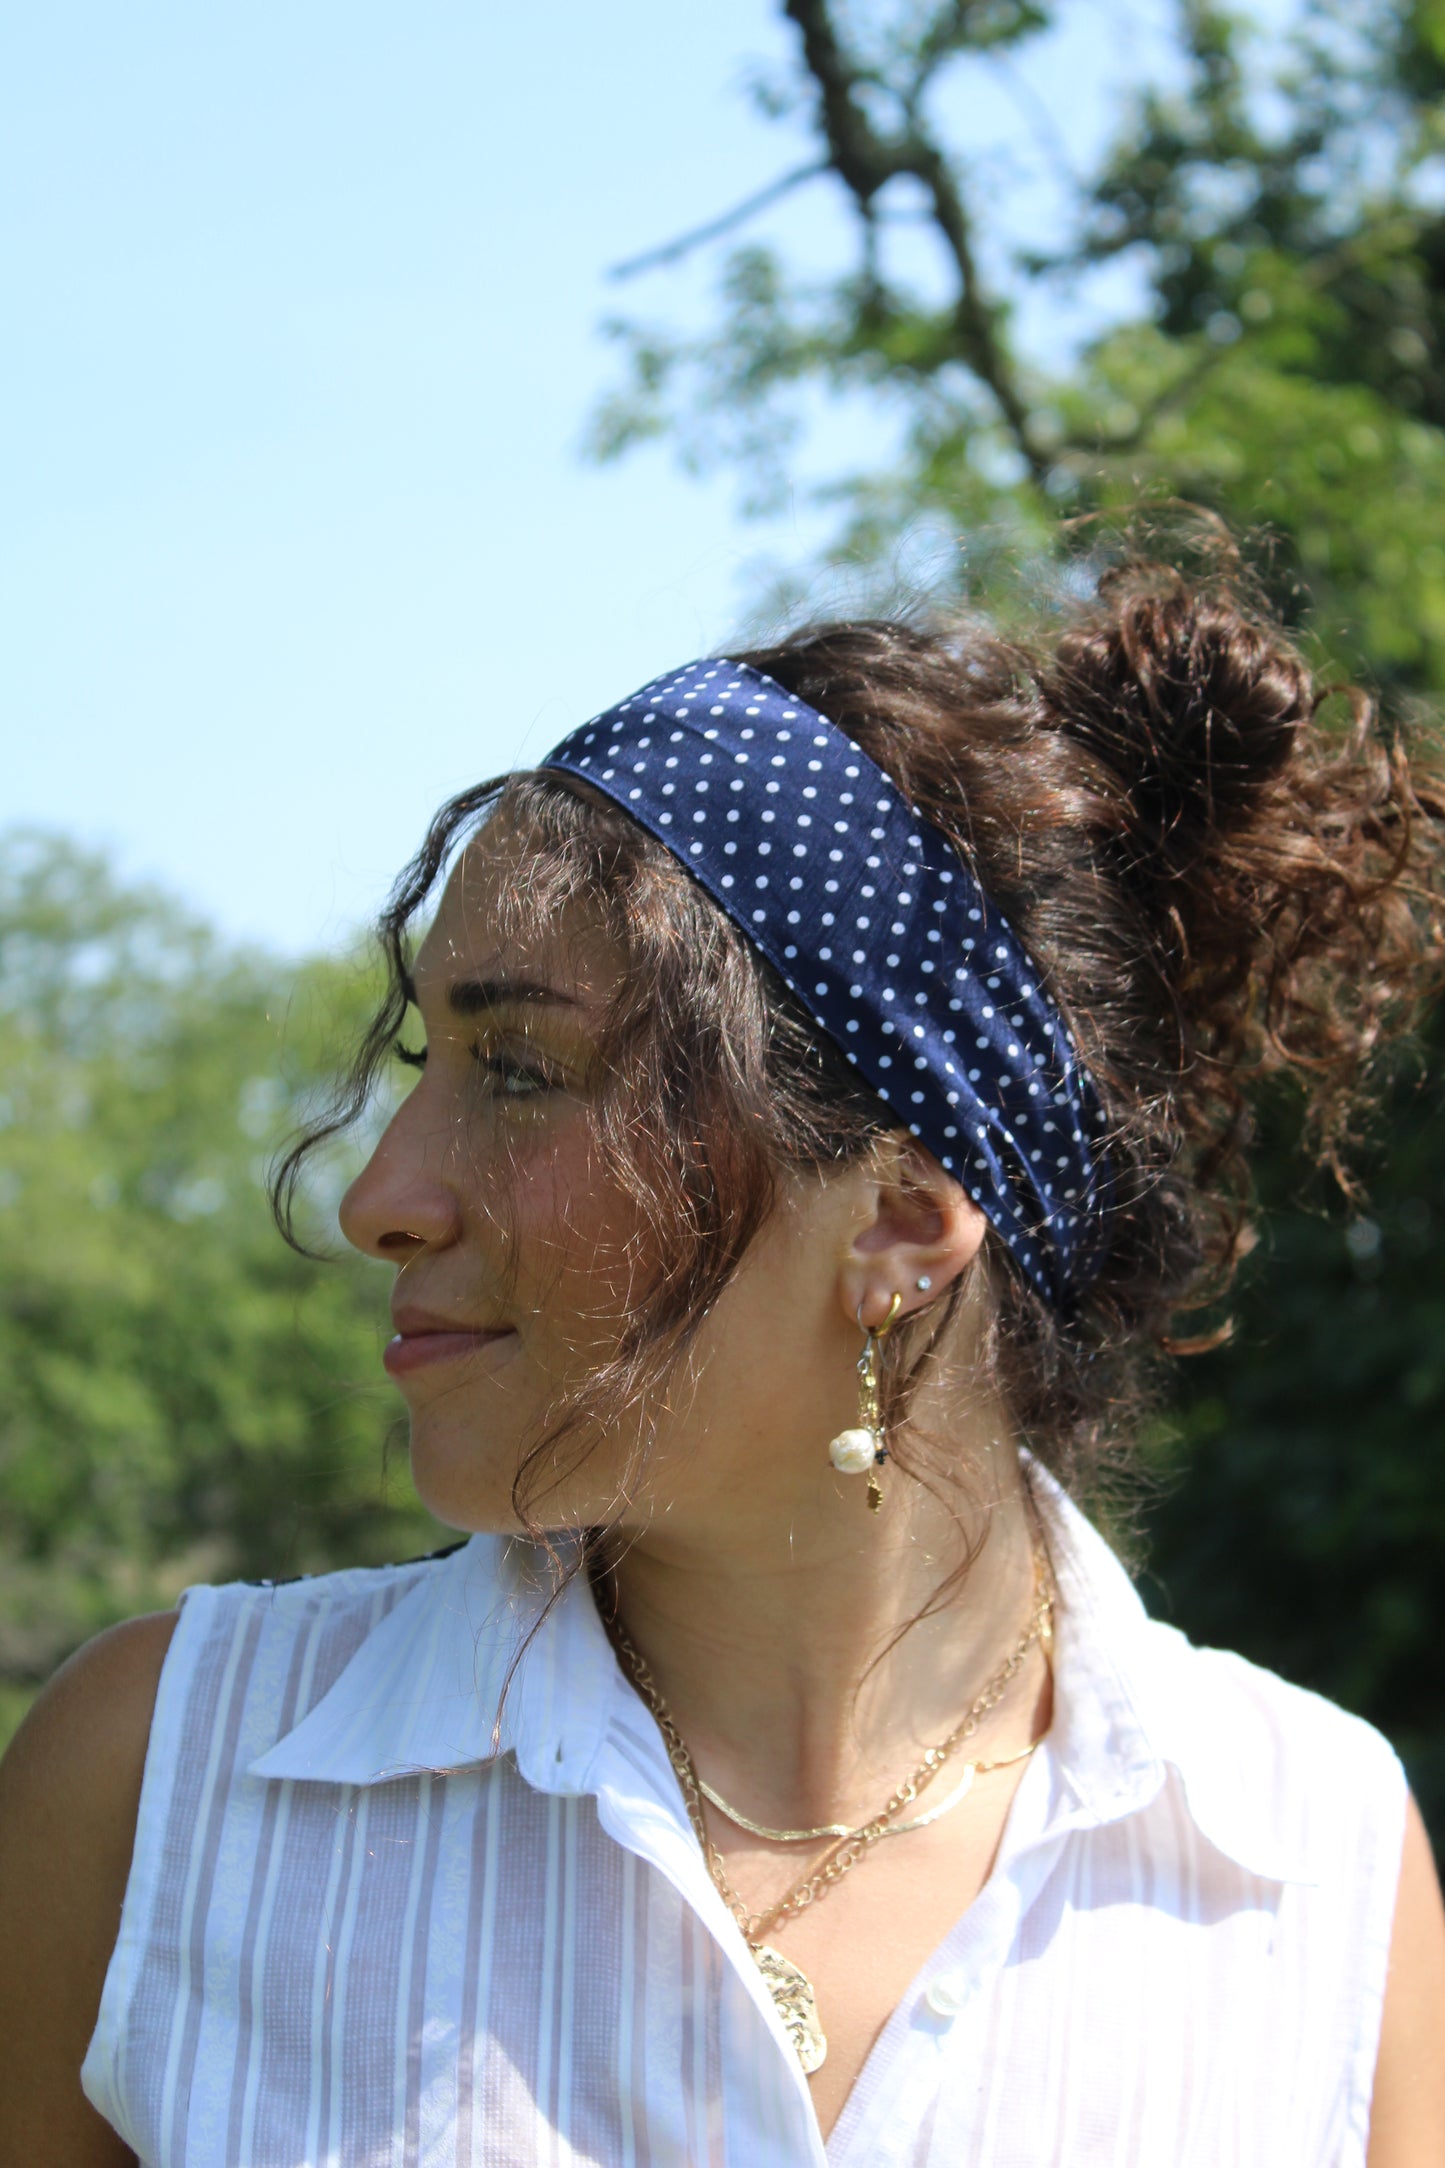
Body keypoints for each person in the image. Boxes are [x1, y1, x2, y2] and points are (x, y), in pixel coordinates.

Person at [3, 548, 1444, 2167]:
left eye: (521, 1071)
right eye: (428, 1062)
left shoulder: (1311, 1868)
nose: (379, 1199)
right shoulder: (155, 1794)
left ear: (897, 1222)